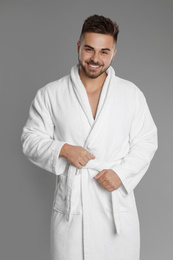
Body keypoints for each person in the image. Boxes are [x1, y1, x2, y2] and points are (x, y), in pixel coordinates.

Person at [21, 14, 158, 260]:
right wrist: (63, 149)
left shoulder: (131, 94)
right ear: (78, 47)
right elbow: (30, 140)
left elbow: (147, 141)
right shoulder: (51, 94)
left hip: (115, 206)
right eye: (89, 49)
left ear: (114, 53)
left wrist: (122, 174)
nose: (95, 58)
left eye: (104, 52)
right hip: (72, 211)